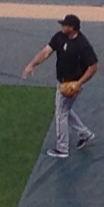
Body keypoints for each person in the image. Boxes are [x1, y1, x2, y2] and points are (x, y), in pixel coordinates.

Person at [21, 13, 97, 159]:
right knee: (64, 109)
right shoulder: (59, 37)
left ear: (72, 27)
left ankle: (62, 149)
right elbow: (45, 52)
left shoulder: (83, 45)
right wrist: (31, 64)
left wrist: (78, 84)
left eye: (65, 25)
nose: (62, 26)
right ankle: (85, 133)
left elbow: (93, 67)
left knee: (61, 113)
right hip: (61, 81)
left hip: (72, 84)